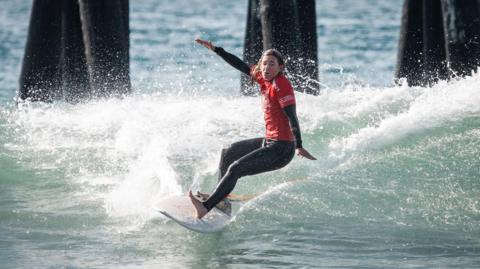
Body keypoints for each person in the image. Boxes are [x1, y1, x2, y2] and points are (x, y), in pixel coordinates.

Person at [189, 38, 316, 218]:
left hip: (281, 149)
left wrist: (299, 145)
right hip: (270, 142)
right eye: (264, 63)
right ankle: (222, 199)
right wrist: (217, 50)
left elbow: (292, 116)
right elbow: (240, 65)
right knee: (228, 151)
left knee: (236, 168)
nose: (266, 68)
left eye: (272, 64)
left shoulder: (281, 85)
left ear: (280, 68)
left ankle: (206, 207)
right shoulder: (263, 78)